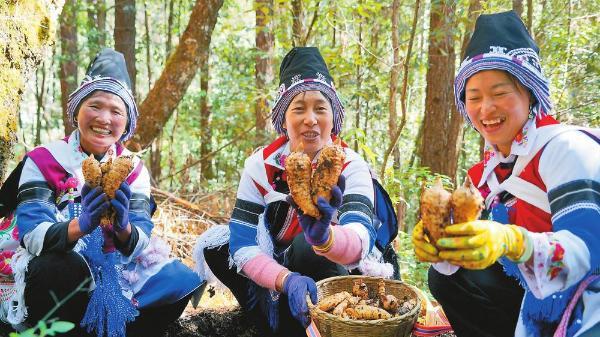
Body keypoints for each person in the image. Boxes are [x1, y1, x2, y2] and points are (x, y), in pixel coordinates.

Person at [412, 11, 600, 337]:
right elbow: (471, 255)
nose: (486, 109)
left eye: (500, 93)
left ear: (529, 92)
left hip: (584, 305)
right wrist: (441, 243)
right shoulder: (487, 174)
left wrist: (513, 241)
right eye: (474, 97)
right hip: (530, 297)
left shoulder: (565, 148)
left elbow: (586, 248)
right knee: (445, 276)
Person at [195, 47, 393, 337]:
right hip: (282, 269)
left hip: (342, 274)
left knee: (306, 248)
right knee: (216, 249)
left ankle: (332, 325)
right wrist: (285, 280)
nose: (310, 119)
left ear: (333, 117)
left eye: (320, 108)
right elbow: (243, 243)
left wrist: (325, 239)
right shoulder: (259, 167)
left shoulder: (350, 165)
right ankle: (277, 319)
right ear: (283, 119)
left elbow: (362, 237)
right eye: (298, 109)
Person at [5, 48, 202, 337]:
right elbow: (32, 235)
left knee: (180, 280)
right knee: (61, 267)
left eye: (116, 111)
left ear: (127, 122)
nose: (104, 118)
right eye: (95, 106)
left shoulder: (133, 169)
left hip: (117, 268)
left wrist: (123, 227)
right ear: (77, 110)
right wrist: (81, 225)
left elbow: (141, 239)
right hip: (61, 268)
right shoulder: (43, 159)